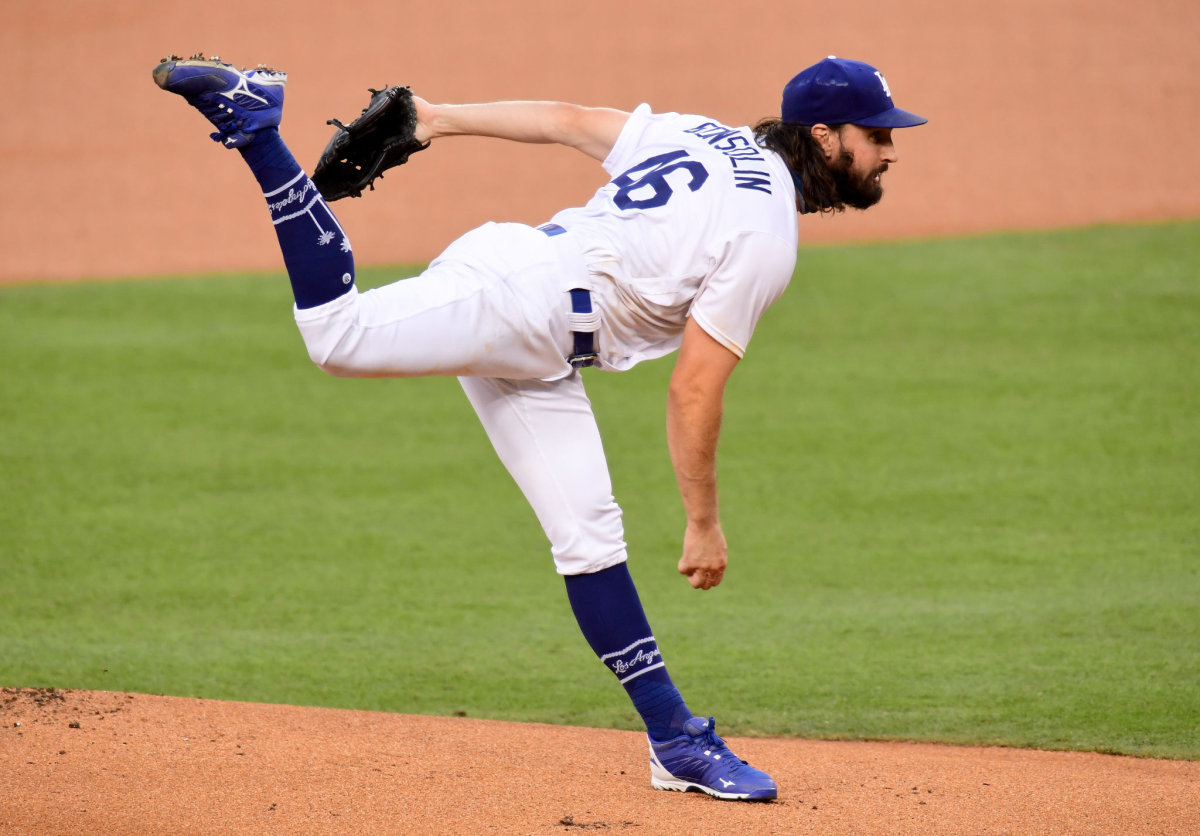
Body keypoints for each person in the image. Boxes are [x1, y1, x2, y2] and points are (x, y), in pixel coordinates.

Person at [153, 53, 926, 801]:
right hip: (522, 303)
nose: (888, 151)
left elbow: (567, 121)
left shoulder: (703, 134)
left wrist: (435, 119)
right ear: (825, 136)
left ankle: (677, 742)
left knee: (589, 540)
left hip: (539, 330)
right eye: (877, 135)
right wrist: (703, 523)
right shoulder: (766, 236)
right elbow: (694, 390)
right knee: (337, 338)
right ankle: (257, 127)